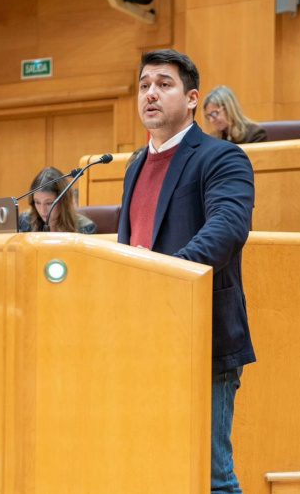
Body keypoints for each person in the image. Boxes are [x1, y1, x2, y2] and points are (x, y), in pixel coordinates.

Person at [118, 49, 255, 493]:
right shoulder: (134, 165)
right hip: (143, 339)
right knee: (155, 468)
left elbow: (227, 228)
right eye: (144, 85)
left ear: (192, 98)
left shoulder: (222, 157)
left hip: (202, 338)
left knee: (213, 476)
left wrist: (167, 273)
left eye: (164, 84)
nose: (150, 94)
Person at [18, 167, 98, 234]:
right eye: (37, 202)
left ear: (63, 201)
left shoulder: (85, 228)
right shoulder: (25, 221)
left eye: (49, 203)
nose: (42, 210)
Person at [203, 85, 268, 144]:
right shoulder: (212, 140)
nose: (211, 120)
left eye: (214, 113)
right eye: (209, 116)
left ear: (229, 108)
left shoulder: (255, 134)